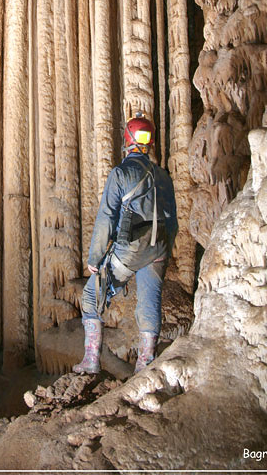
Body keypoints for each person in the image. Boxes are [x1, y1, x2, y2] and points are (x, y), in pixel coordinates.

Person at [73, 113, 178, 375]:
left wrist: (95, 258)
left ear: (127, 140)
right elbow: (173, 220)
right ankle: (145, 363)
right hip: (160, 248)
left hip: (132, 247)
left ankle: (91, 361)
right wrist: (164, 251)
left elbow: (106, 218)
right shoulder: (164, 176)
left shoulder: (121, 173)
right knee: (149, 300)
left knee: (90, 296)